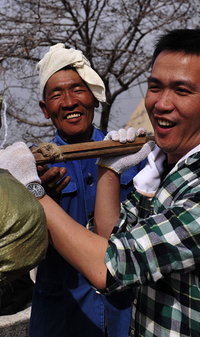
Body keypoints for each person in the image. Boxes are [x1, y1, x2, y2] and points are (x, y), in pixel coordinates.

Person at [0, 28, 200, 336]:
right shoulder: (161, 169)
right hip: (63, 317)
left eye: (182, 90)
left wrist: (34, 191)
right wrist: (110, 170)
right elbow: (115, 237)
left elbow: (112, 264)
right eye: (155, 87)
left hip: (117, 303)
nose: (162, 104)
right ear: (45, 109)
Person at [30, 44, 147, 337]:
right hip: (62, 316)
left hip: (125, 311)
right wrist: (35, 201)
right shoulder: (34, 167)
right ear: (45, 109)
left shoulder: (128, 153)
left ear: (94, 98)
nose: (69, 102)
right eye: (56, 94)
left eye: (78, 90)